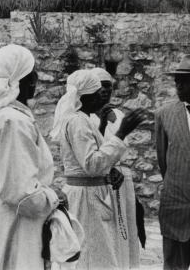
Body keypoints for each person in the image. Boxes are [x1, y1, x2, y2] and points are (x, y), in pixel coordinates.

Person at [0, 44, 60, 270]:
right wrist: (54, 198)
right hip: (18, 225)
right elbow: (21, 193)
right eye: (32, 73)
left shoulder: (10, 116)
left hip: (17, 220)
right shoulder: (13, 121)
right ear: (24, 79)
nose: (36, 79)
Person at [51, 69, 146, 270]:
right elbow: (92, 164)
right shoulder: (78, 121)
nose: (100, 96)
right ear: (85, 97)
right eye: (96, 93)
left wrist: (109, 170)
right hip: (86, 199)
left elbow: (95, 159)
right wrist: (120, 134)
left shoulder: (83, 119)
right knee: (91, 257)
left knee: (100, 254)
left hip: (93, 195)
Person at [89, 67, 145, 258]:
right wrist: (102, 123)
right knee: (106, 228)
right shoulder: (85, 117)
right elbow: (96, 151)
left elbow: (124, 145)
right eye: (101, 87)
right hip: (102, 177)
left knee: (125, 227)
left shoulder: (119, 115)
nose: (105, 91)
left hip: (122, 178)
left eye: (109, 88)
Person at [155, 54, 190, 270]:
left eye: (185, 80)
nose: (178, 85)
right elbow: (164, 162)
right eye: (176, 79)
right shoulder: (164, 115)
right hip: (175, 209)